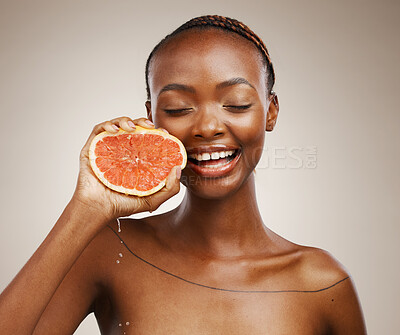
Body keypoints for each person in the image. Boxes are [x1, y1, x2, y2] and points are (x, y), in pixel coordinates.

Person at [0, 15, 367, 334]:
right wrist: (87, 207)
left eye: (236, 103)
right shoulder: (111, 250)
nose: (207, 126)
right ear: (151, 116)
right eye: (177, 108)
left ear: (270, 111)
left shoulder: (322, 283)